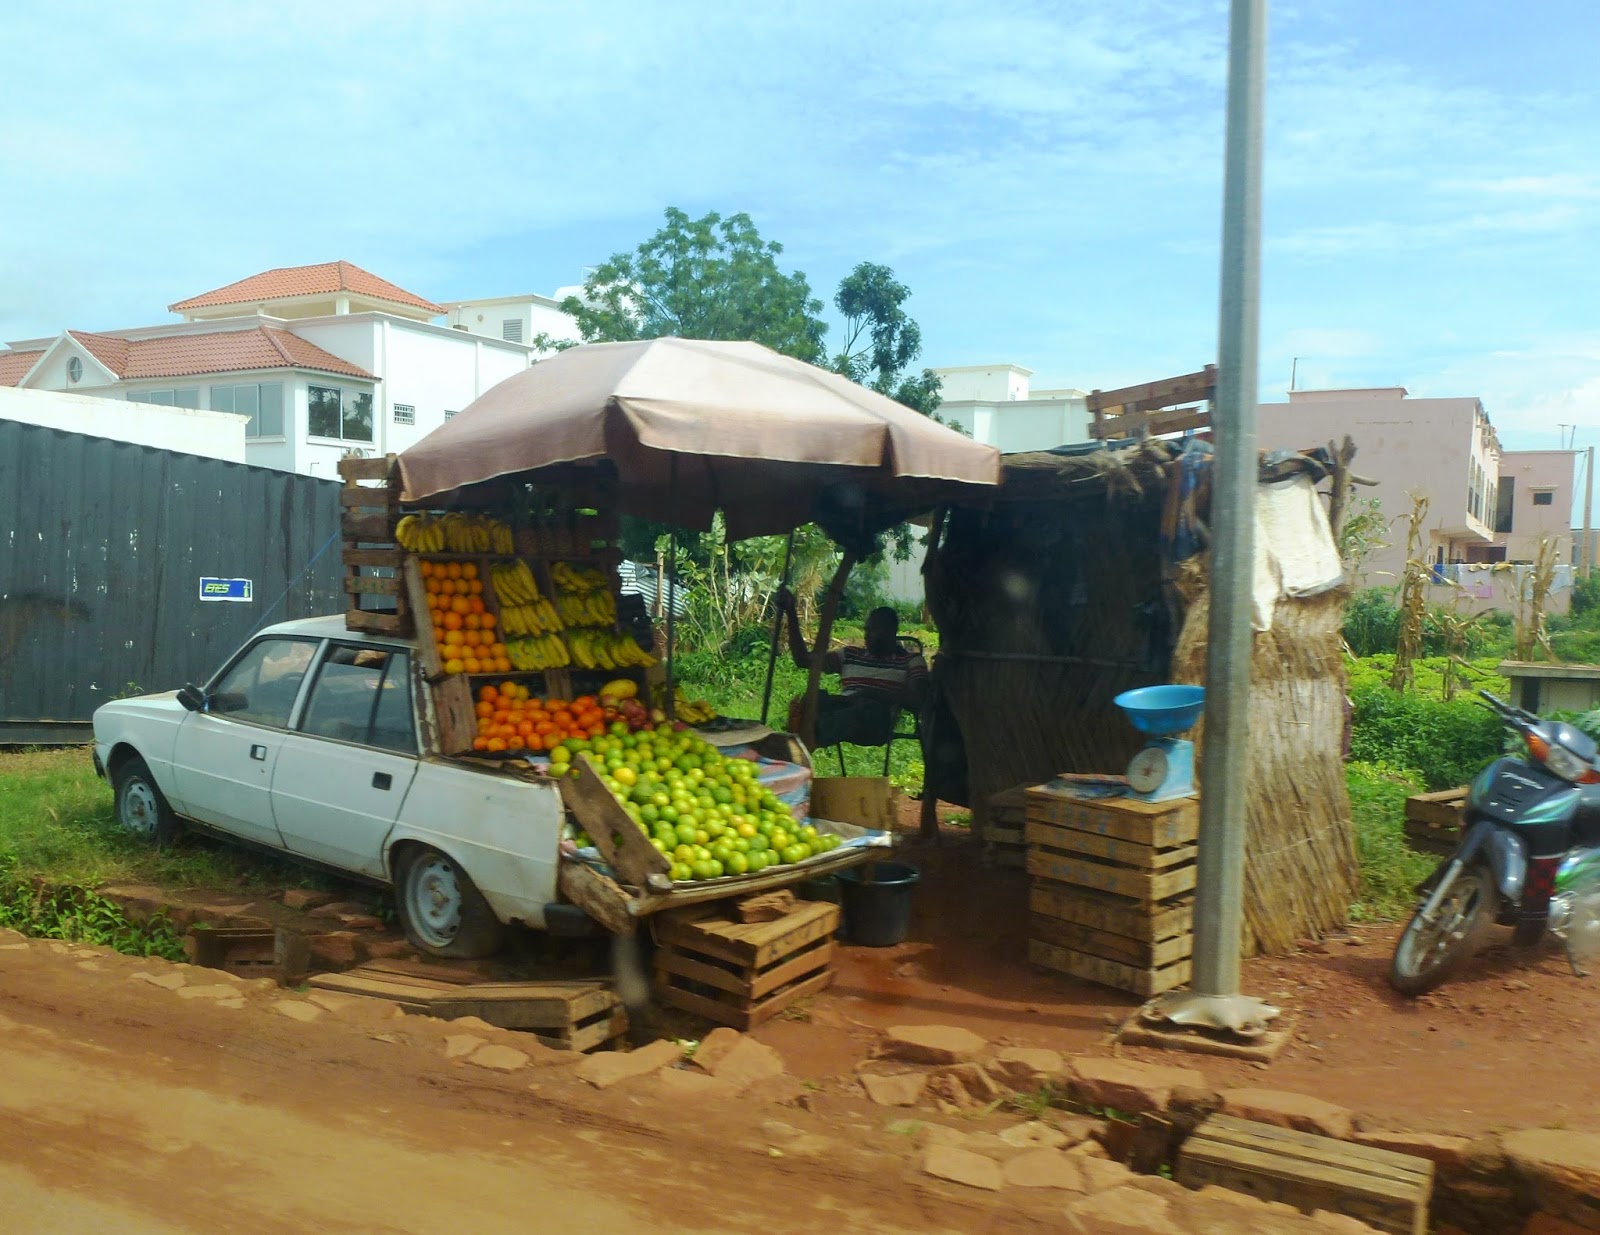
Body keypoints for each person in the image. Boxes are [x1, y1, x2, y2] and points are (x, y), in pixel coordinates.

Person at [776, 586, 929, 748]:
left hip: (876, 720)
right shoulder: (850, 654)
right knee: (816, 698)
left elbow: (917, 699)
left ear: (890, 632)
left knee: (867, 708)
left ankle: (802, 739)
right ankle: (806, 736)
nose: (866, 636)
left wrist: (869, 693)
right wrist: (790, 611)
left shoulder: (911, 661)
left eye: (874, 631)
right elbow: (803, 660)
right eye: (866, 630)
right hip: (843, 707)